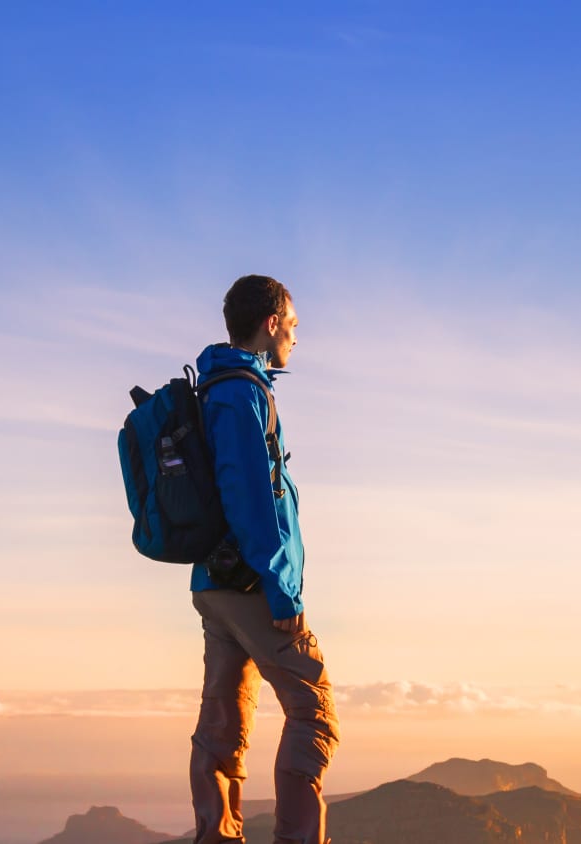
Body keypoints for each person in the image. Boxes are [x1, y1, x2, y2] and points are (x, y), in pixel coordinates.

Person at [188, 274, 340, 844]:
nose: (297, 338)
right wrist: (284, 592)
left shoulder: (219, 386)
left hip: (217, 581)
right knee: (314, 710)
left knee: (223, 722)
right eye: (293, 325)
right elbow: (251, 497)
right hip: (251, 584)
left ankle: (217, 835)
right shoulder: (240, 392)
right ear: (271, 323)